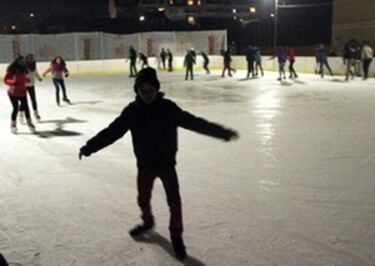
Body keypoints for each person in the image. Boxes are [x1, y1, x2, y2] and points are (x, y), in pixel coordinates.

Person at [79, 68, 239, 260]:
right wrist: (89, 147)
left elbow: (194, 123)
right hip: (145, 166)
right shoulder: (132, 112)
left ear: (157, 89)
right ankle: (147, 221)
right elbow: (112, 132)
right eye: (142, 90)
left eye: (150, 90)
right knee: (143, 199)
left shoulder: (168, 108)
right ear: (137, 91)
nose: (147, 94)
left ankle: (176, 237)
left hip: (166, 166)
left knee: (174, 203)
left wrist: (221, 132)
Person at [4, 55, 35, 133]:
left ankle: (29, 122)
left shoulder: (24, 69)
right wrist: (13, 82)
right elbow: (6, 79)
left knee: (26, 107)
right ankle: (13, 124)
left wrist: (26, 80)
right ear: (17, 61)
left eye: (23, 61)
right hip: (13, 93)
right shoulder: (12, 69)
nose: (23, 62)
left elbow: (23, 78)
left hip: (22, 92)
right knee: (15, 108)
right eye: (21, 61)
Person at [19, 53, 43, 124]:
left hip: (31, 85)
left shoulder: (34, 65)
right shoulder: (24, 66)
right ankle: (21, 114)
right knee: (24, 101)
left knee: (33, 100)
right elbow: (20, 75)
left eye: (32, 58)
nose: (31, 60)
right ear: (27, 59)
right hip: (24, 86)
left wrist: (39, 78)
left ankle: (36, 113)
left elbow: (35, 73)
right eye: (29, 58)